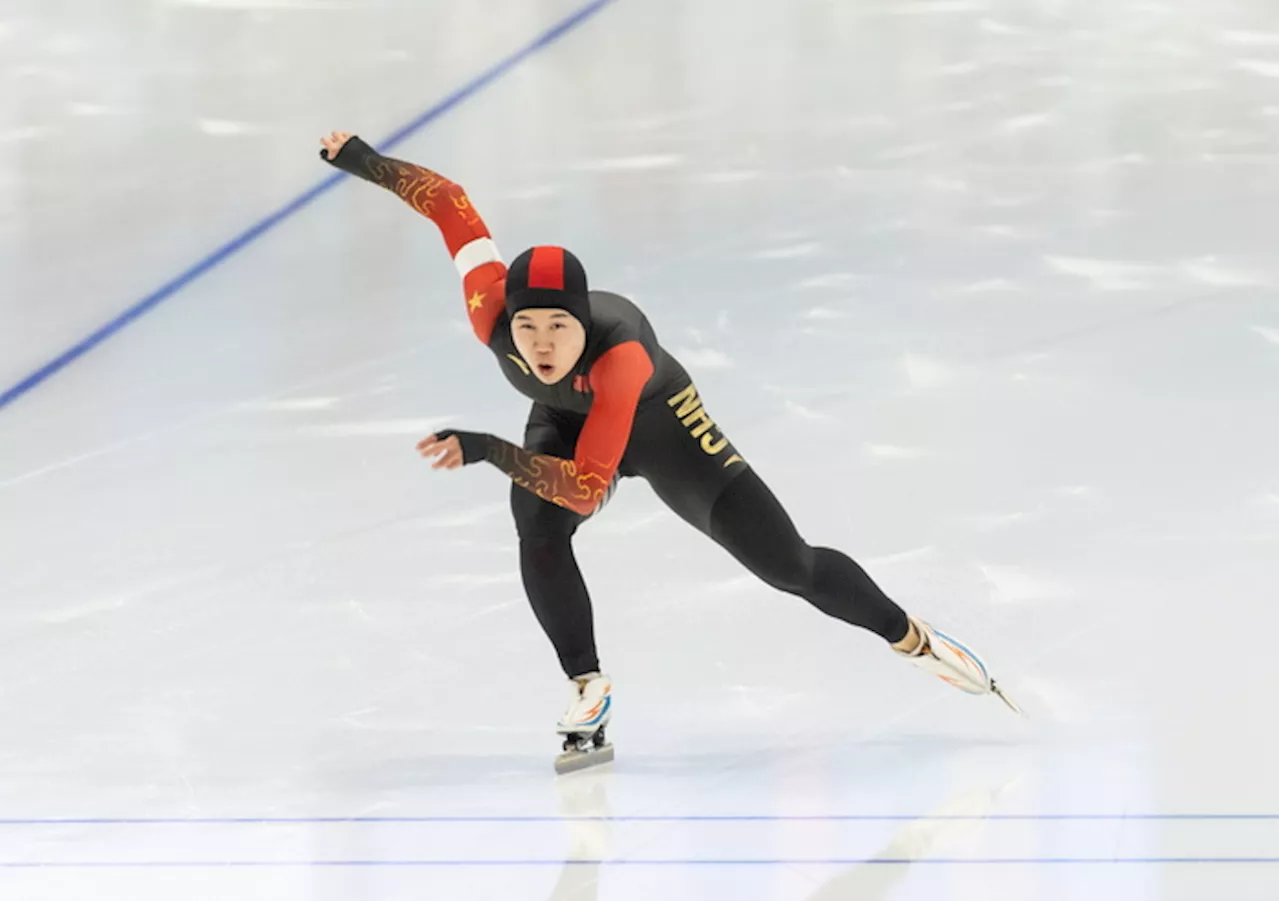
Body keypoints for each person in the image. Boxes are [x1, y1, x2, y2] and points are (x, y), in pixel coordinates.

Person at [318, 130, 1019, 761]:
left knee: (790, 568)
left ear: (585, 321)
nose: (540, 345)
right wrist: (363, 160)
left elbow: (590, 488)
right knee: (535, 525)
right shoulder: (488, 312)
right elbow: (447, 202)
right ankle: (589, 684)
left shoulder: (619, 357)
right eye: (528, 328)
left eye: (559, 328)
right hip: (566, 421)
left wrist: (491, 449)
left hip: (661, 427)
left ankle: (912, 636)